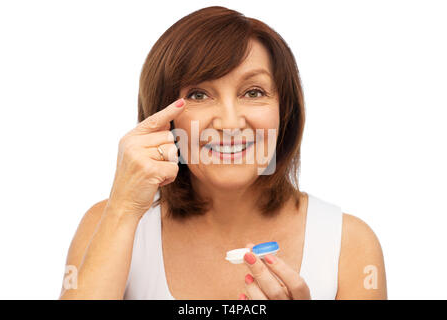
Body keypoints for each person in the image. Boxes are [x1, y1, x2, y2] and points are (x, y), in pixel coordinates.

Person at [59, 6, 387, 300]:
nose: (229, 122)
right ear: (162, 116)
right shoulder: (109, 224)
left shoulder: (350, 245)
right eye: (199, 94)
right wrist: (124, 207)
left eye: (253, 92)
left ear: (283, 111)